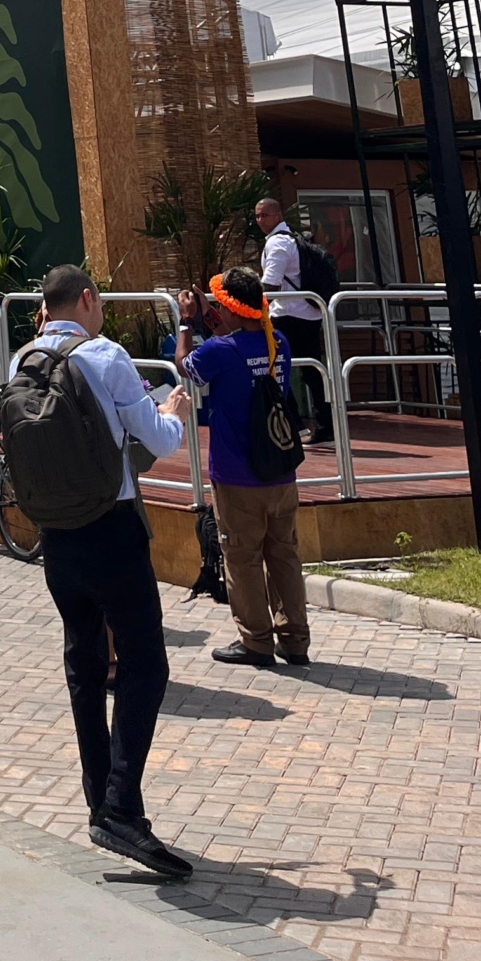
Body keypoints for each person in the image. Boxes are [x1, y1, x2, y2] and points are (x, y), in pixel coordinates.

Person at [22, 262, 192, 880]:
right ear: (88, 299)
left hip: (55, 535)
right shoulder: (105, 355)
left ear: (47, 306)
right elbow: (160, 440)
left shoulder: (24, 359)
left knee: (85, 661)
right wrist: (173, 410)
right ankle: (120, 805)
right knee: (146, 664)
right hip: (111, 529)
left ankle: (102, 801)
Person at [178, 267, 310, 669]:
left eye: (221, 305)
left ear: (233, 309)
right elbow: (236, 342)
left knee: (242, 557)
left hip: (237, 475)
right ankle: (295, 639)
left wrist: (186, 322)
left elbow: (186, 365)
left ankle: (256, 641)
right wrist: (210, 317)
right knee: (284, 555)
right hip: (280, 470)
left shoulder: (220, 352)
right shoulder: (278, 342)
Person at [255, 195, 328, 440]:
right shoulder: (292, 239)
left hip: (287, 315)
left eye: (265, 215)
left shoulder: (277, 243)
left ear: (278, 215)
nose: (260, 220)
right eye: (257, 216)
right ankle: (324, 425)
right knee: (311, 371)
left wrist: (249, 300)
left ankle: (295, 423)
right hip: (308, 313)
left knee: (276, 368)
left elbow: (271, 284)